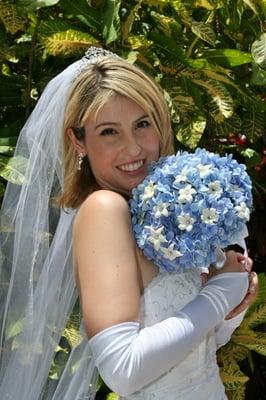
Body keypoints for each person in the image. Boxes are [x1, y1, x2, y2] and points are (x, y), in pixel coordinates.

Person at [0, 47, 258, 400]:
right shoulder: (103, 209)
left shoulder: (161, 210)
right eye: (109, 132)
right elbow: (124, 369)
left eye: (141, 124)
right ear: (78, 141)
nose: (133, 148)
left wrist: (229, 310)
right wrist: (221, 291)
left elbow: (192, 350)